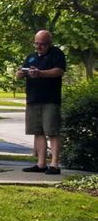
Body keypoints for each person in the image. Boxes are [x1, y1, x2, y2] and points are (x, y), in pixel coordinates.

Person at [19, 30, 66, 175]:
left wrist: (41, 73)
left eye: (42, 45)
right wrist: (21, 74)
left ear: (49, 44)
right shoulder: (31, 57)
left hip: (50, 99)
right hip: (33, 99)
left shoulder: (56, 54)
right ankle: (41, 164)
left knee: (52, 131)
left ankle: (54, 164)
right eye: (36, 44)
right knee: (37, 131)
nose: (39, 47)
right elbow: (23, 70)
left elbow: (59, 71)